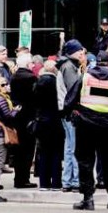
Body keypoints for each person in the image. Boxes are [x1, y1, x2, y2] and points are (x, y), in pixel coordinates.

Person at [65, 50, 108, 211]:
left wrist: (69, 114)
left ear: (96, 63)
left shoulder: (85, 78)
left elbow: (70, 99)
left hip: (86, 126)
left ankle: (88, 199)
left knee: (85, 162)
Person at [56, 39, 86, 192]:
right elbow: (74, 90)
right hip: (71, 111)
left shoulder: (67, 65)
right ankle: (74, 181)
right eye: (80, 50)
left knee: (69, 147)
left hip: (66, 111)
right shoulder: (69, 67)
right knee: (74, 147)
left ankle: (67, 181)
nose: (82, 53)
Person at [33, 60, 64, 190]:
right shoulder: (56, 83)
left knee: (44, 152)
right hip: (55, 120)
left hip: (42, 120)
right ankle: (56, 182)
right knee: (56, 152)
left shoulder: (37, 83)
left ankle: (44, 182)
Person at [9, 52, 37, 189]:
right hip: (28, 116)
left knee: (19, 149)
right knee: (27, 149)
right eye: (31, 62)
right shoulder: (31, 77)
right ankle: (24, 179)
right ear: (27, 64)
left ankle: (18, 177)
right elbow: (35, 97)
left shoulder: (14, 77)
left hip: (17, 116)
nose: (33, 65)